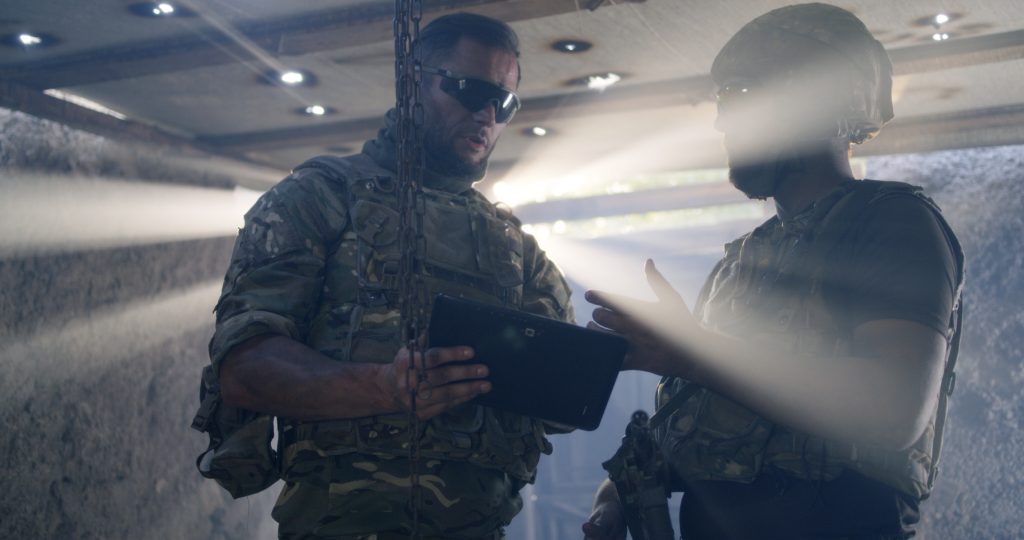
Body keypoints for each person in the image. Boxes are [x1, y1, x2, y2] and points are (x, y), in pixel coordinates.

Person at [582, 4, 964, 539]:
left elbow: (893, 411)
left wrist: (695, 352)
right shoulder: (742, 261)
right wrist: (613, 501)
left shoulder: (893, 225)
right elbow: (698, 440)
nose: (721, 119)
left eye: (739, 94)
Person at [202, 13, 574, 539]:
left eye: (506, 102)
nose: (489, 113)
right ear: (411, 81)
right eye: (470, 90)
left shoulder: (517, 249)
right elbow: (243, 370)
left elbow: (561, 406)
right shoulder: (320, 197)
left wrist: (623, 353)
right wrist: (383, 387)